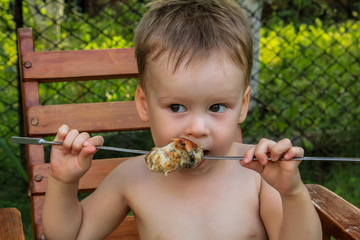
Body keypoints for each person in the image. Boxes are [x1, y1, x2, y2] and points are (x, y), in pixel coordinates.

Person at [42, 0, 322, 239]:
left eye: (216, 107)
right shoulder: (131, 178)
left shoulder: (257, 177)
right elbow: (72, 235)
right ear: (144, 104)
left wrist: (292, 193)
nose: (198, 128)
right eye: (176, 107)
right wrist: (63, 182)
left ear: (242, 105)